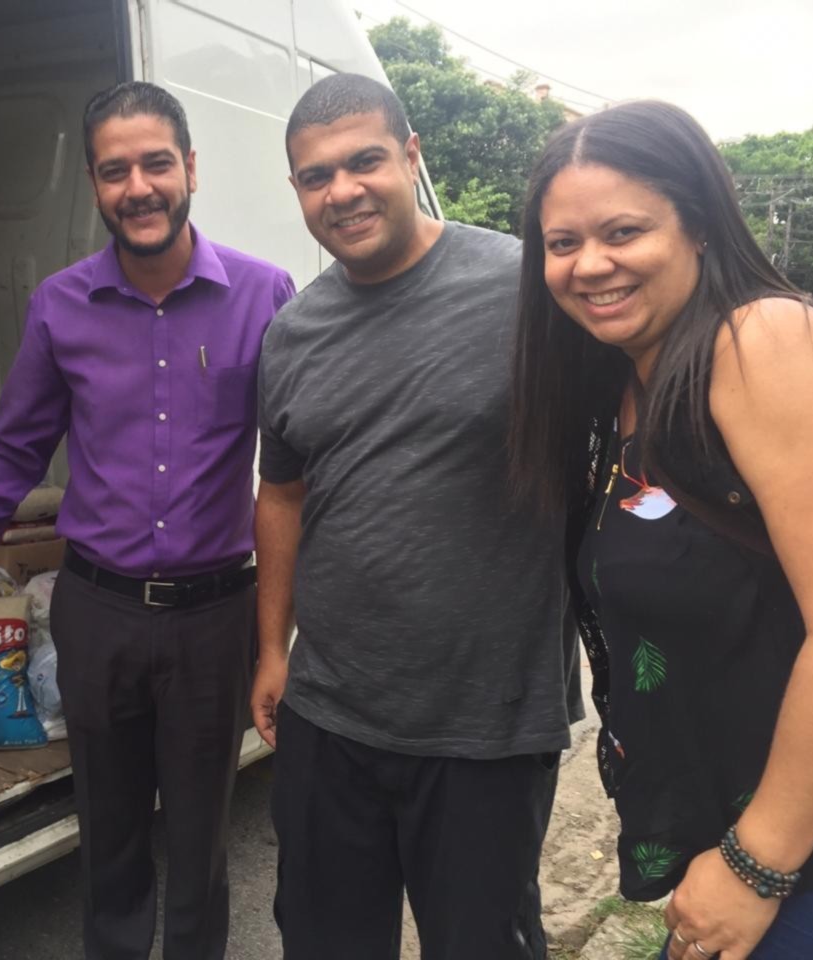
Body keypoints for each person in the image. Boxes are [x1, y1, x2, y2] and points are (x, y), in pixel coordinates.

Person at [0, 81, 294, 960]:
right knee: (110, 839)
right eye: (115, 171)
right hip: (99, 614)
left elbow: (295, 467)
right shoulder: (60, 304)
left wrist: (283, 632)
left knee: (200, 843)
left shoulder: (262, 294)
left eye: (156, 164)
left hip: (214, 619)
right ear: (94, 184)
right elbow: (14, 456)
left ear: (190, 167)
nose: (139, 187)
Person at [252, 72, 580, 960]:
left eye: (364, 162)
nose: (343, 190)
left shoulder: (526, 290)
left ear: (410, 155)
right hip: (330, 714)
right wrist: (271, 648)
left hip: (486, 724)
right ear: (297, 190)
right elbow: (281, 493)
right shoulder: (293, 333)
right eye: (316, 176)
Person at [508, 100, 813, 960]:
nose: (591, 264)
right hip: (730, 850)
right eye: (563, 242)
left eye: (623, 231)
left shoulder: (763, 340)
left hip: (804, 865)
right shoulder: (622, 389)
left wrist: (756, 865)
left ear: (699, 225)